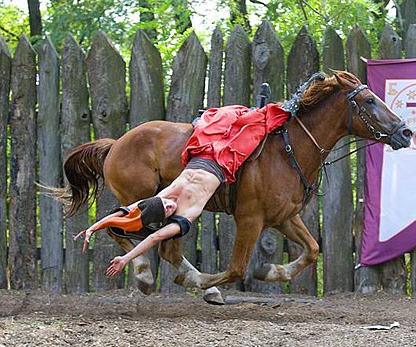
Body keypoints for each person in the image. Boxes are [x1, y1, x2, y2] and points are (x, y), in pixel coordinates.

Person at [75, 101, 292, 277]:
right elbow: (153, 239)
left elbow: (128, 210)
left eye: (165, 204)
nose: (170, 205)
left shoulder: (167, 193)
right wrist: (126, 258)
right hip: (224, 161)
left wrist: (94, 227)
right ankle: (288, 109)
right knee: (257, 124)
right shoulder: (186, 215)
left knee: (224, 116)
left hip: (202, 150)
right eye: (169, 210)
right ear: (171, 217)